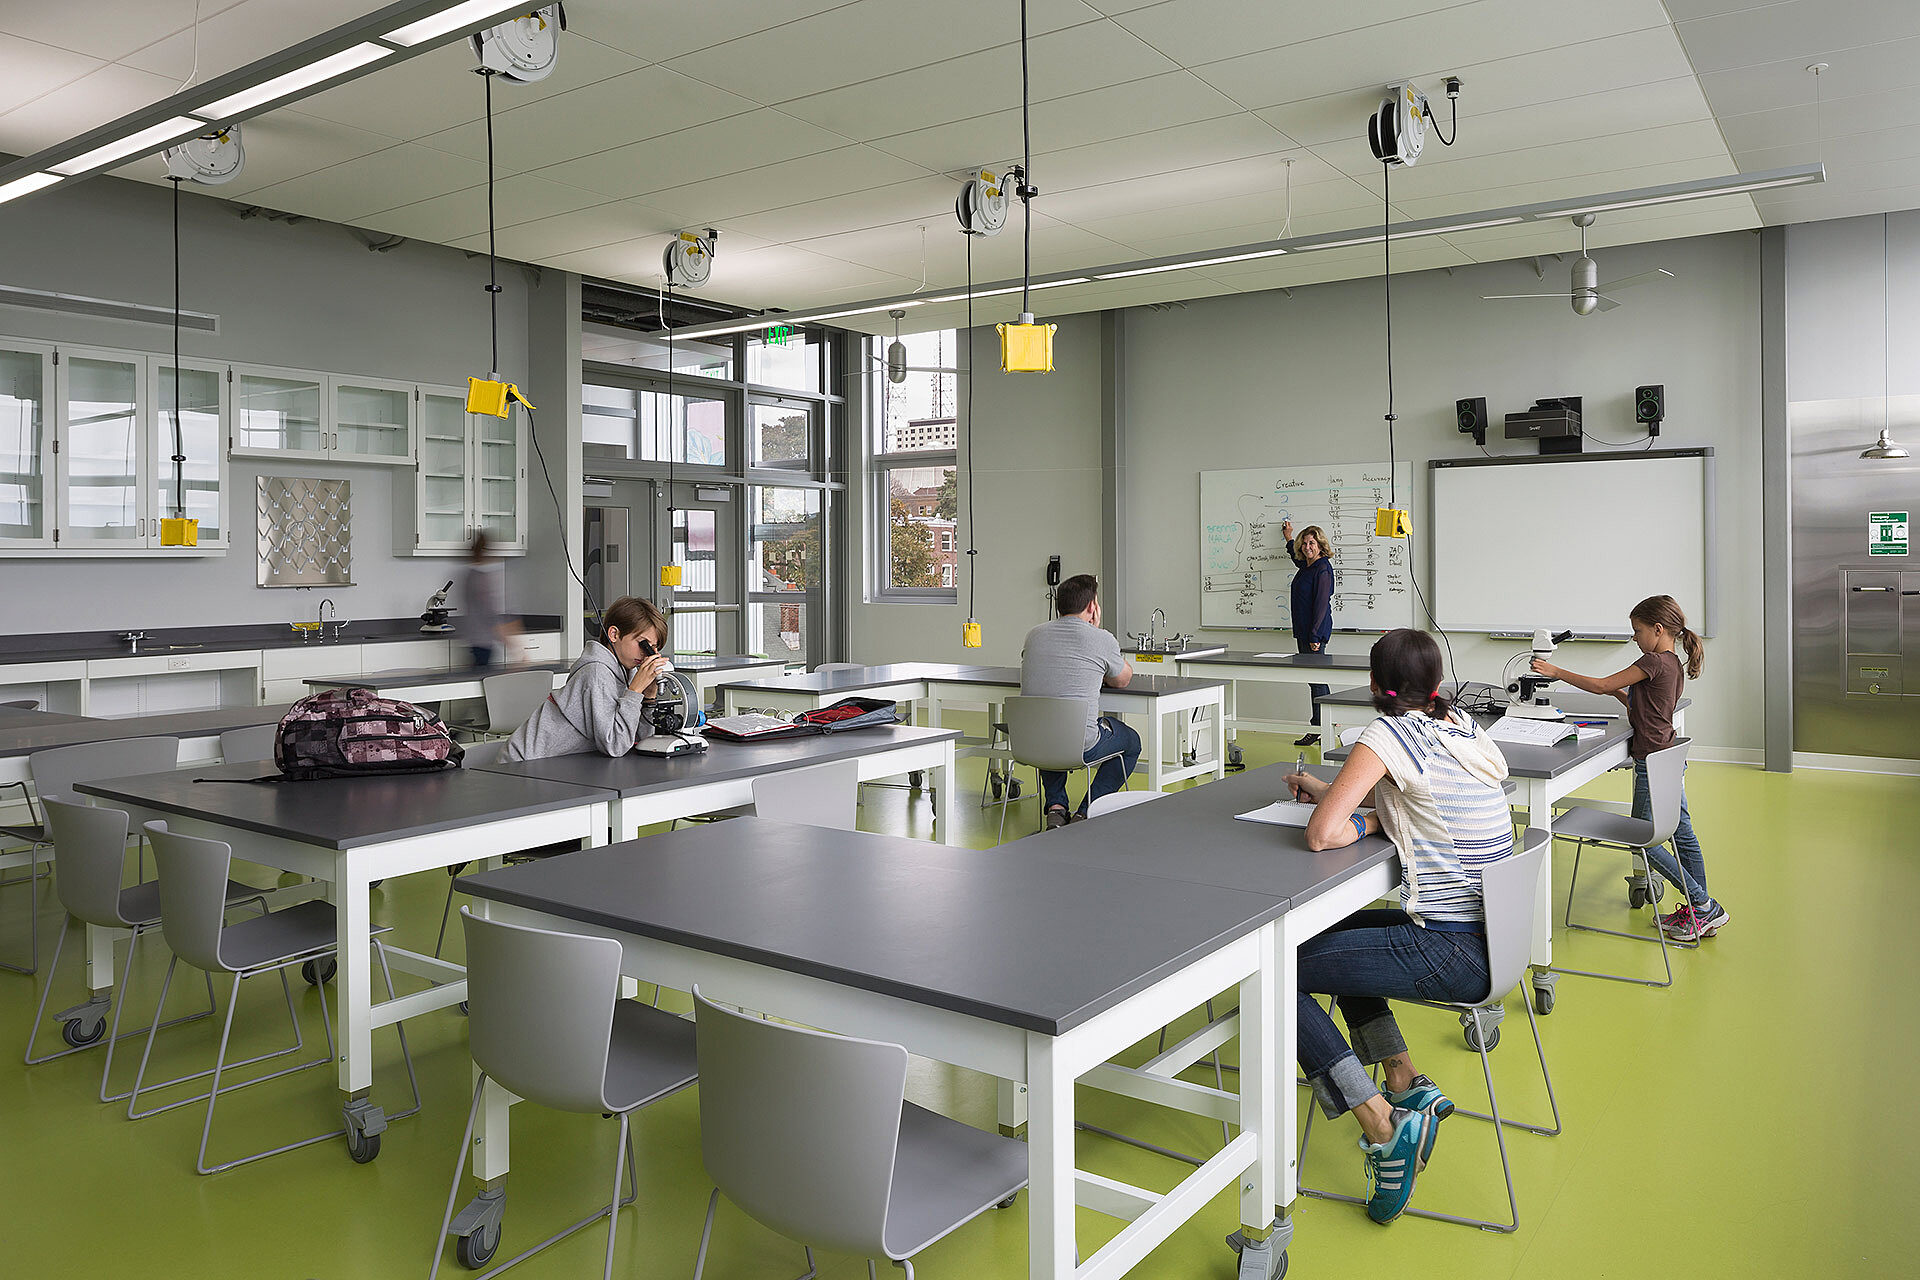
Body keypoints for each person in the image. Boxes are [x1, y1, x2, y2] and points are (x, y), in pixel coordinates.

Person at [1280, 628, 1514, 1224]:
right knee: (1341, 931)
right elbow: (1416, 803)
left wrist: (1349, 820)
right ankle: (1404, 1078)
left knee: (1279, 969)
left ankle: (1382, 1123)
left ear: (1374, 686)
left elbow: (1322, 836)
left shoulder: (1388, 733)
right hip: (1496, 938)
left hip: (1451, 948)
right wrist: (1329, 792)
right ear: (1437, 683)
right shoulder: (1462, 728)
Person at [1530, 594, 1726, 940]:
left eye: (1637, 630)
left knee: (1643, 842)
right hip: (1667, 759)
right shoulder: (1671, 663)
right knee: (1682, 834)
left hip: (1650, 763)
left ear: (1657, 629)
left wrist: (1555, 671)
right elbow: (1648, 705)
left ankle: (1702, 903)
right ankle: (1702, 912)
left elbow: (1602, 683)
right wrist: (1621, 696)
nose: (1634, 636)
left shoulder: (1652, 661)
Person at [1020, 573, 1140, 829]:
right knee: (1131, 741)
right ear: (1091, 607)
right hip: (1080, 744)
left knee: (1050, 726)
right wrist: (1097, 636)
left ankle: (1056, 807)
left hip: (1031, 740)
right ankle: (1086, 812)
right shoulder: (1102, 638)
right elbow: (1123, 679)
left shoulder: (1033, 635)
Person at [501, 596, 671, 762]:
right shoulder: (596, 674)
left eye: (653, 648)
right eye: (643, 644)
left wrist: (648, 698)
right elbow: (615, 745)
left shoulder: (628, 672)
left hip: (557, 765)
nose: (647, 654)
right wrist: (634, 692)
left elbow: (637, 742)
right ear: (614, 634)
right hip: (521, 765)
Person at [1281, 518, 1334, 746]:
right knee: (1314, 679)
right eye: (1304, 544)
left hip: (1314, 633)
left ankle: (1320, 727)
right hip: (1304, 631)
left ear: (1320, 545)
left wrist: (1314, 637)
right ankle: (1325, 725)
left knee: (1317, 680)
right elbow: (1296, 558)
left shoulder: (1322, 569)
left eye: (1311, 543)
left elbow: (1321, 604)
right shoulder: (1307, 566)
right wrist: (1289, 539)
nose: (1307, 547)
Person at [462, 531, 521, 668]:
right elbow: (490, 613)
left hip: (475, 639)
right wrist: (513, 645)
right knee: (485, 682)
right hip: (483, 641)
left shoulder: (470, 576)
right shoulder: (480, 579)